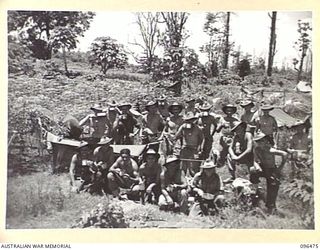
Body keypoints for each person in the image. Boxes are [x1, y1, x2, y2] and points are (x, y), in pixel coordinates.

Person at [252, 132, 288, 215]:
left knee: (273, 184)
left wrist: (280, 167)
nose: (260, 143)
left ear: (265, 141)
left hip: (271, 169)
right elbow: (254, 160)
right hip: (262, 168)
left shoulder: (270, 150)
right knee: (252, 170)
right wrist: (257, 166)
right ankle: (256, 191)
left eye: (261, 141)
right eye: (258, 141)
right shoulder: (257, 149)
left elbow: (284, 154)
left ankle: (271, 205)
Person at [174, 112, 204, 177]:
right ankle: (183, 180)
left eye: (191, 120)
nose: (189, 122)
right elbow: (176, 136)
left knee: (193, 167)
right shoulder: (183, 127)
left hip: (194, 149)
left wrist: (200, 148)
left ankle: (194, 181)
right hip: (185, 148)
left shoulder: (197, 128)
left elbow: (202, 139)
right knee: (183, 167)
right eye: (188, 120)